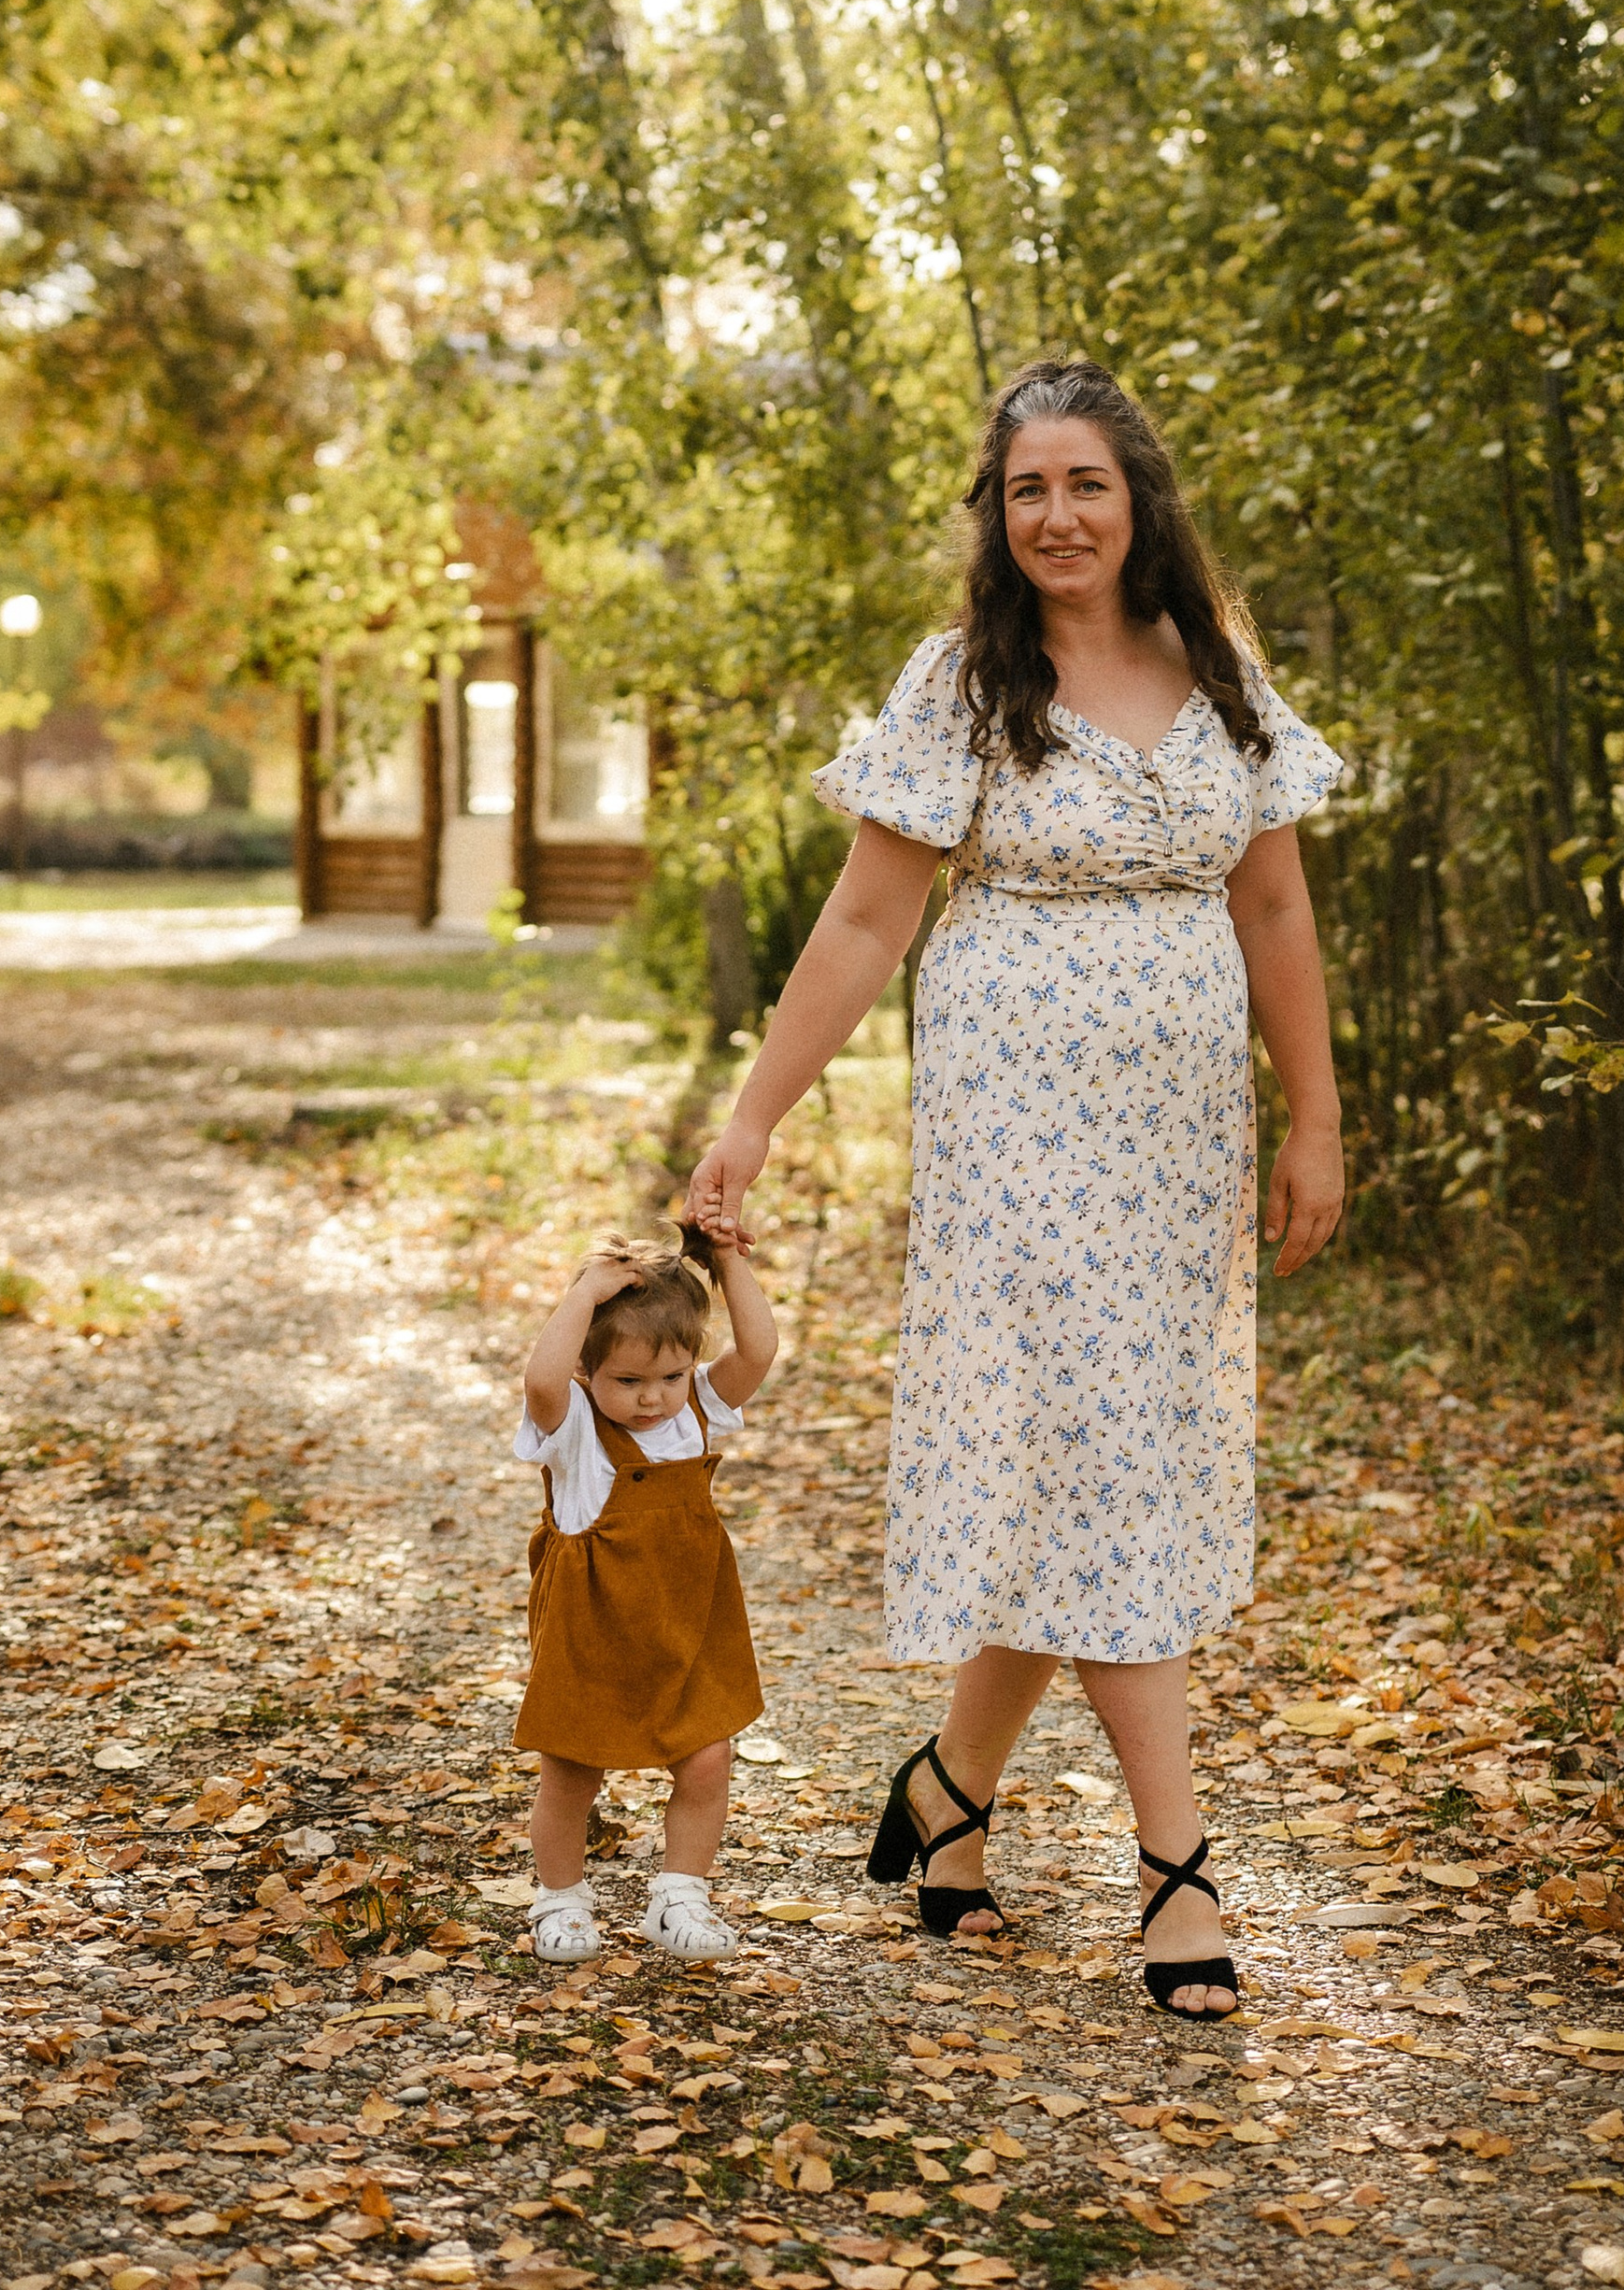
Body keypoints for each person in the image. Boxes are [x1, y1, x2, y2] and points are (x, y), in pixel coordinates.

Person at [684, 358, 1346, 2018]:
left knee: (1097, 1458)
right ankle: (1177, 1870)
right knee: (1104, 1450)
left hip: (1180, 1136)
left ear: (1139, 501)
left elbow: (1274, 907)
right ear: (998, 513)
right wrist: (755, 1119)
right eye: (1028, 488)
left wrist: (1317, 1116)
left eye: (1086, 484)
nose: (1058, 515)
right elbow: (865, 918)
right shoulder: (965, 681)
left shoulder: (1219, 669)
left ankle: (947, 1791)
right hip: (1017, 1122)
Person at [512, 1227, 779, 1964]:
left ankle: (679, 1898)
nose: (652, 1398)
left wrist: (727, 1261)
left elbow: (758, 1351)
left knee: (708, 1760)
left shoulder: (697, 1408)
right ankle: (560, 1901)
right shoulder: (573, 1427)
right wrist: (585, 1295)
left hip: (687, 1625)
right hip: (591, 1630)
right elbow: (540, 1382)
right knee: (573, 1772)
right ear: (586, 1369)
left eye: (670, 1376)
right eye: (627, 1381)